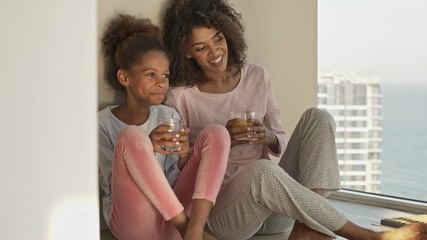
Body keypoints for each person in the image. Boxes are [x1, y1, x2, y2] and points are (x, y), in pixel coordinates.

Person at [162, 0, 427, 239]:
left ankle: (305, 226)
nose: (215, 51)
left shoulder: (257, 77)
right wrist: (220, 142)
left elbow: (283, 143)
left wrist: (267, 137)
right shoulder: (182, 95)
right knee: (262, 172)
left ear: (227, 33)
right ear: (187, 53)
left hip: (276, 209)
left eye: (218, 39)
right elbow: (176, 172)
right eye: (201, 47)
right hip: (226, 216)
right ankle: (368, 237)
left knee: (317, 117)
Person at [98, 13, 230, 240]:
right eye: (151, 74)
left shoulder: (168, 115)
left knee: (218, 133)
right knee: (131, 136)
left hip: (171, 220)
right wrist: (147, 145)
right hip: (135, 224)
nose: (161, 82)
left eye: (165, 75)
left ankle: (196, 230)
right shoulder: (102, 123)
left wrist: (183, 159)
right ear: (124, 77)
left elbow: (174, 180)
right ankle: (187, 231)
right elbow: (114, 184)